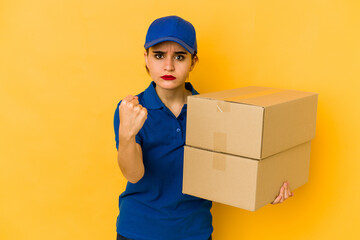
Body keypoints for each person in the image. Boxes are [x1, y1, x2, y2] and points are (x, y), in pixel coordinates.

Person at [113, 15, 293, 240]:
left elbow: (231, 169)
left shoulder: (215, 112)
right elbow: (134, 174)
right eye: (159, 55)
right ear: (146, 58)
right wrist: (127, 134)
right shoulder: (131, 110)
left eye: (180, 56)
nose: (168, 66)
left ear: (193, 62)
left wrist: (269, 187)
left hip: (194, 232)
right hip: (139, 231)